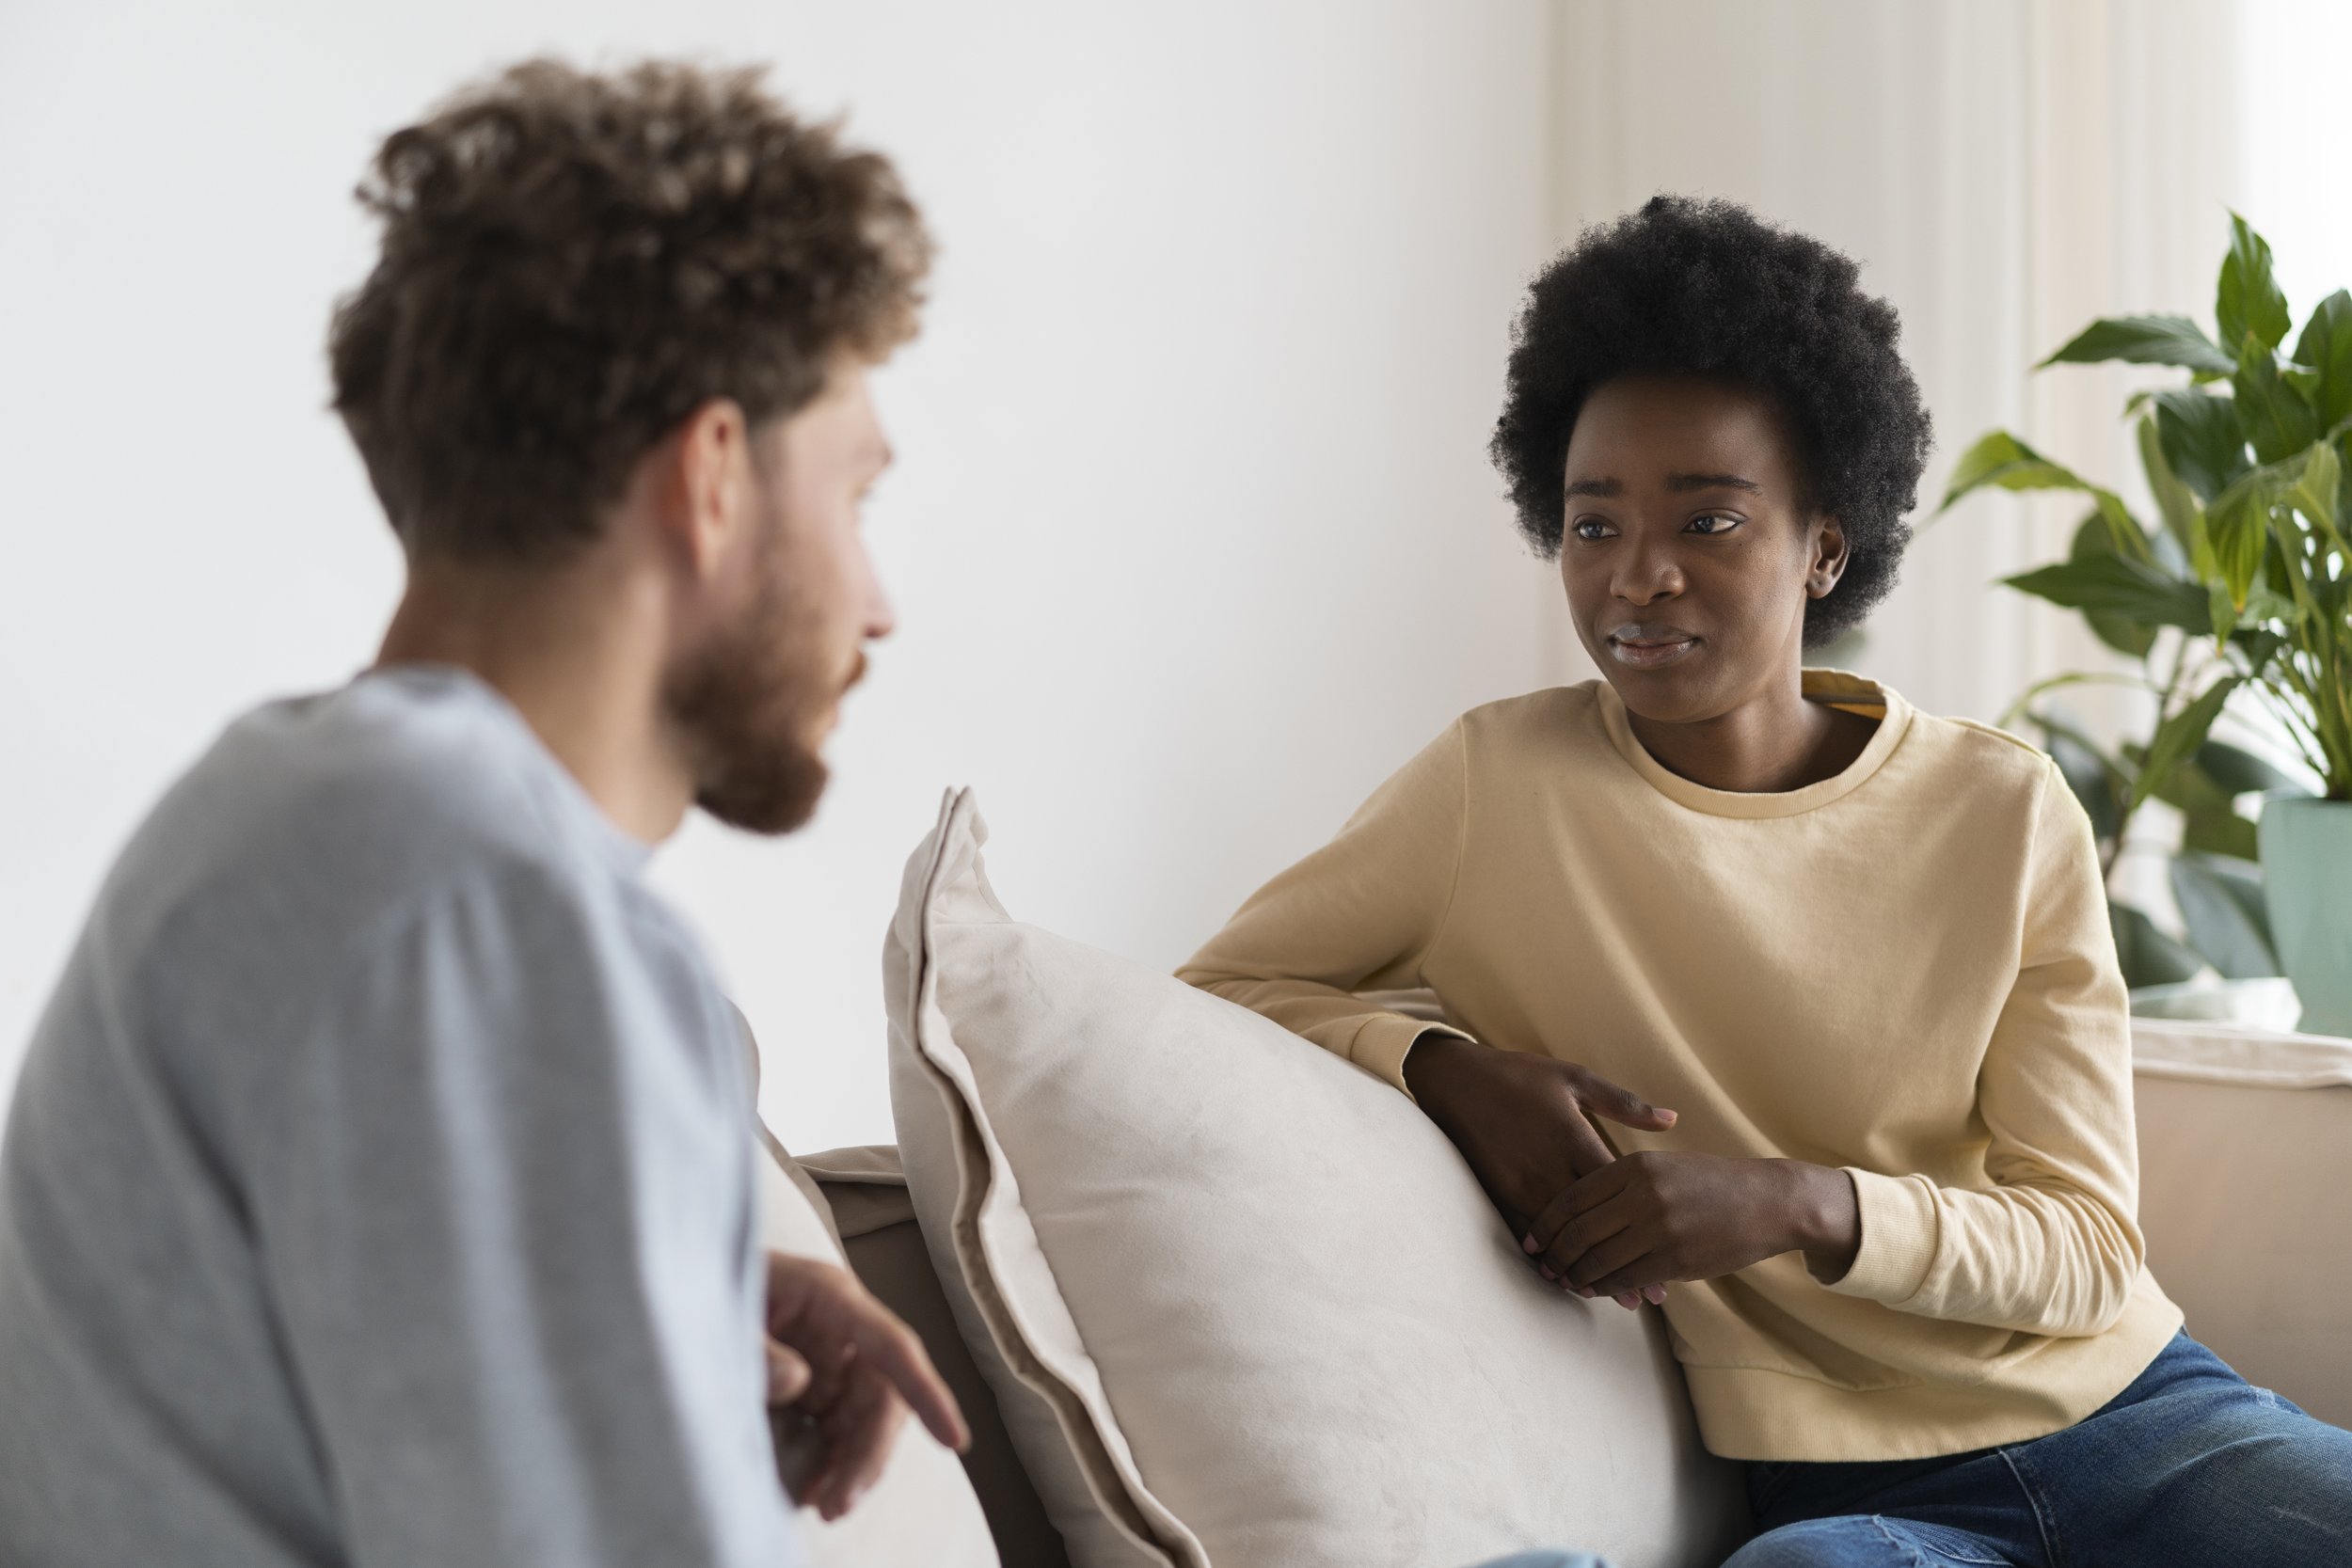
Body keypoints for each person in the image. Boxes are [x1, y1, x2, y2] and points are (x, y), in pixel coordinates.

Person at [1181, 195, 2352, 1564]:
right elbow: (1224, 992)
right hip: (1845, 1504)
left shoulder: (1997, 807)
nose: (1641, 578)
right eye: (1593, 525)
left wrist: (1801, 1202)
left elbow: (2087, 1247)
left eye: (1712, 523)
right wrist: (1438, 1066)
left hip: (2142, 1420)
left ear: (1824, 548)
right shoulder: (1494, 788)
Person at [0, 59, 966, 1568]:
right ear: (710, 475)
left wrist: (656, 1306)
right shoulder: (480, 906)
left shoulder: (296, 812)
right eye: (856, 497)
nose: (880, 605)